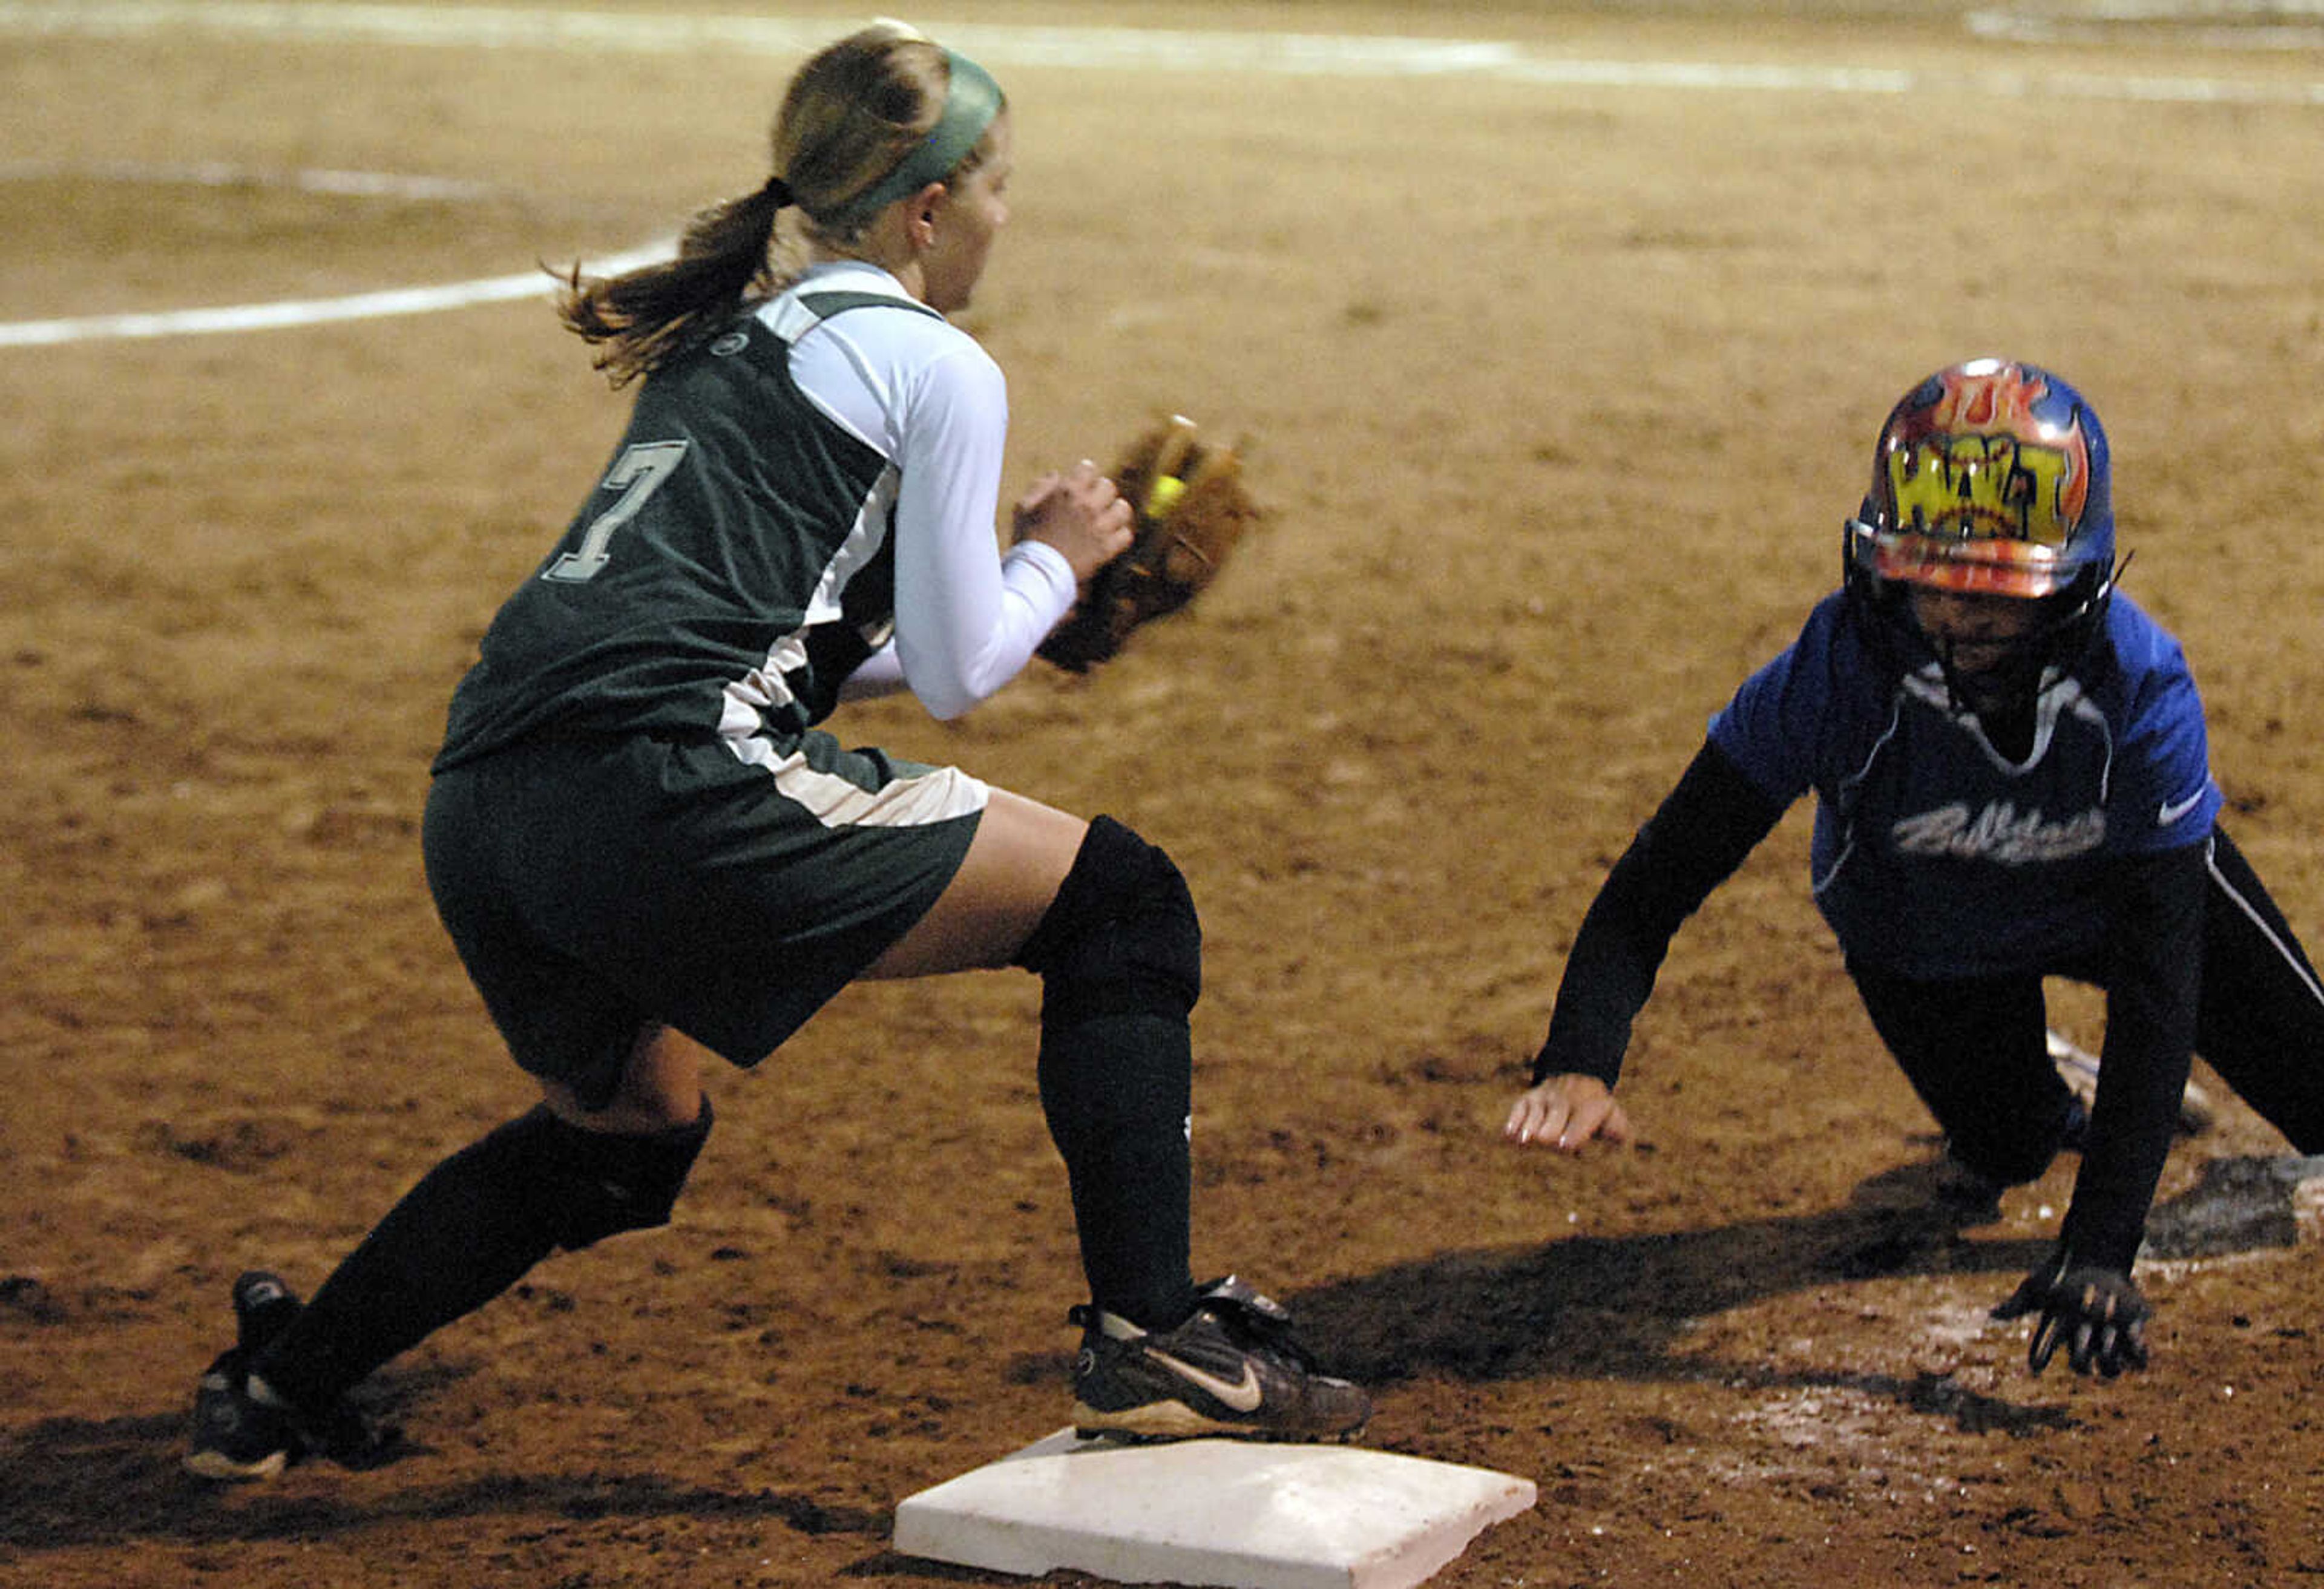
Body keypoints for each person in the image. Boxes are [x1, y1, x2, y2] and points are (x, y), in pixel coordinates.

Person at [183, 21, 1367, 1481]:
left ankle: (278, 1391)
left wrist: (1031, 598)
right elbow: (953, 675)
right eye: (996, 186)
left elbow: (782, 642)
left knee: (627, 1134)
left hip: (489, 802)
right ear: (927, 209)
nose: (1006, 214)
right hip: (661, 793)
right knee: (1122, 903)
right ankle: (1153, 1340)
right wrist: (1049, 567)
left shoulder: (741, 334)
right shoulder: (933, 362)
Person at [1502, 357, 2324, 1381]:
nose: (1963, 618)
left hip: (2113, 898)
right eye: (1936, 581)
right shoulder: (1838, 665)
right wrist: (1581, 1055)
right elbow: (1661, 877)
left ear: (2075, 582)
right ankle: (2047, 1076)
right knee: (2013, 1150)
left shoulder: (2138, 679)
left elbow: (2163, 982)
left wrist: (2103, 1243)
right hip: (1928, 930)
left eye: (2001, 592)